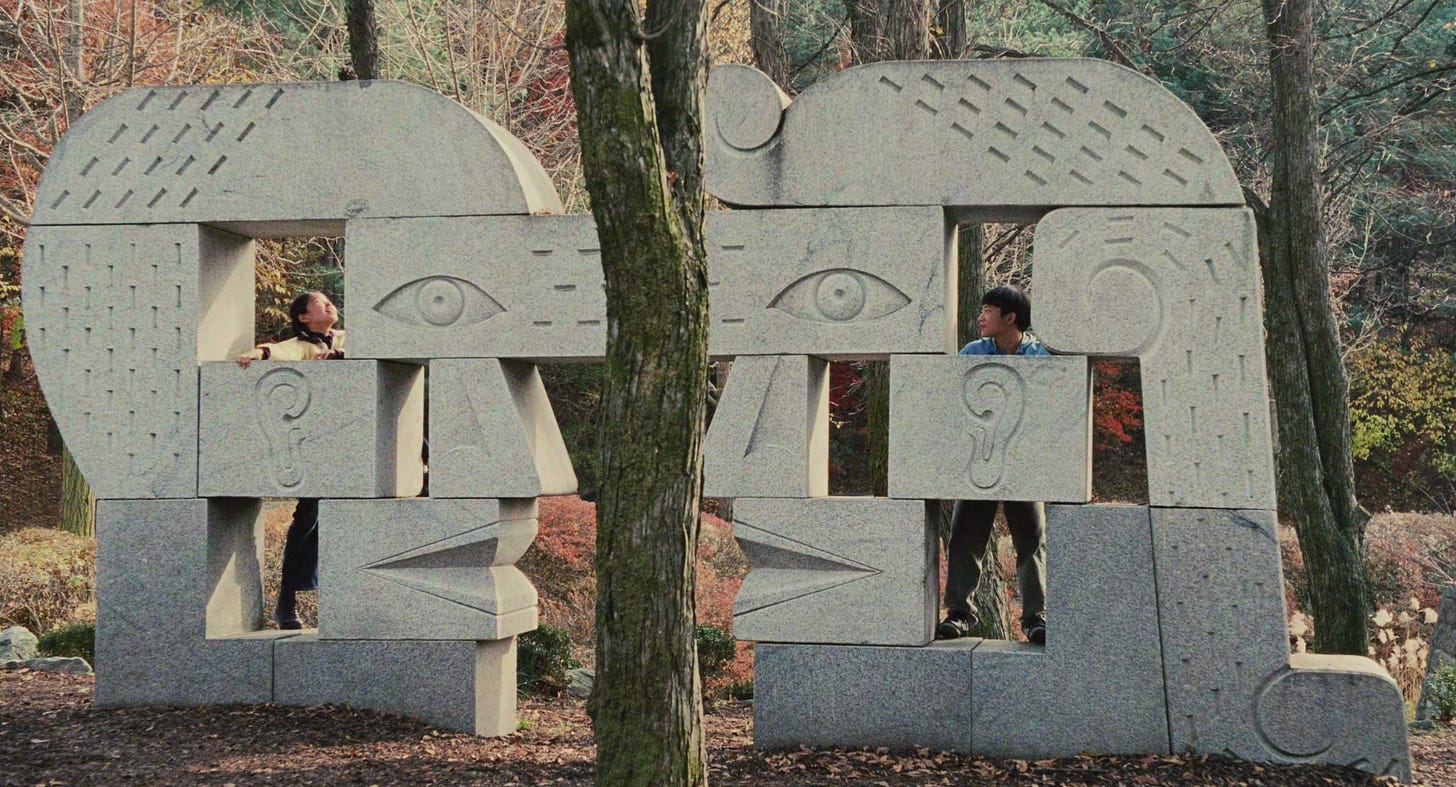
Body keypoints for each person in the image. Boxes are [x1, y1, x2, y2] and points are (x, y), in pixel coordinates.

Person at [936, 284, 1049, 645]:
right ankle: (958, 613)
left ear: (1010, 317)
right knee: (965, 536)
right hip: (979, 459)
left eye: (988, 310)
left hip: (1022, 462)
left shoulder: (1040, 354)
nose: (980, 316)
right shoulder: (972, 352)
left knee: (1031, 539)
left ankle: (1035, 618)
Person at [235, 291, 344, 630]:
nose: (329, 305)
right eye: (320, 303)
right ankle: (287, 601)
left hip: (364, 437)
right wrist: (255, 353)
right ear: (303, 318)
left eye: (330, 302)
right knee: (309, 517)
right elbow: (274, 350)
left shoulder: (347, 339)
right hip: (320, 445)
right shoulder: (299, 346)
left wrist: (340, 354)